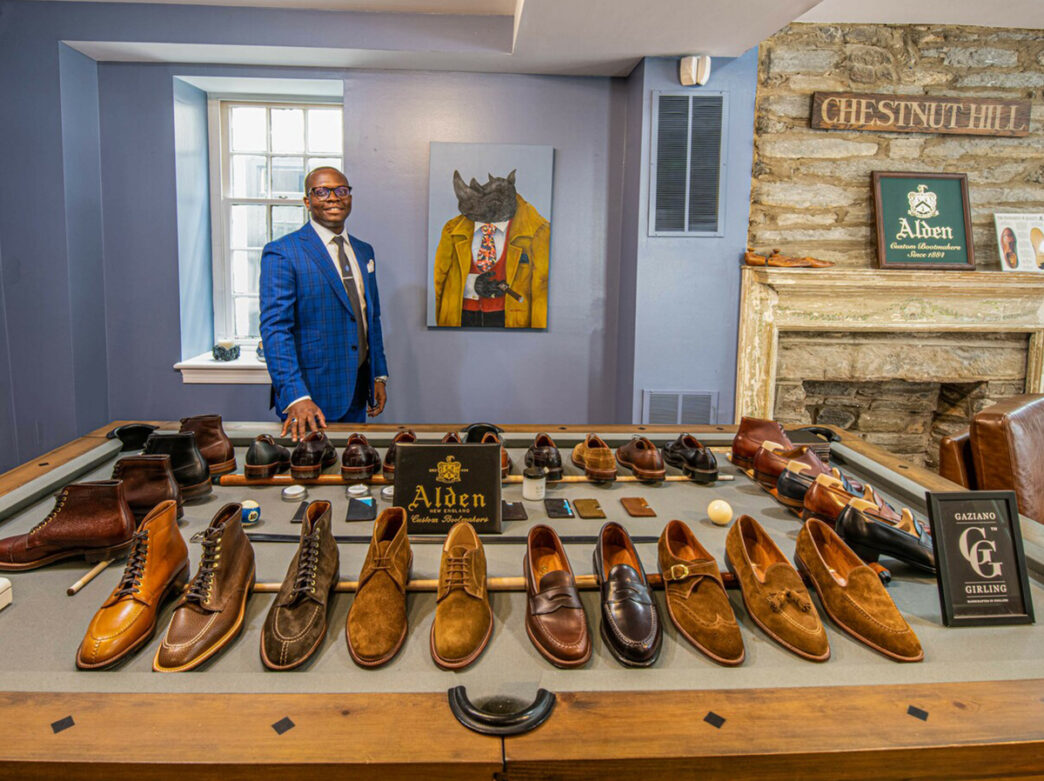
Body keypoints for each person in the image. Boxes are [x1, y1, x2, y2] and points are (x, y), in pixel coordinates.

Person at [259, 166, 388, 440]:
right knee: (311, 474)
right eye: (322, 191)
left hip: (356, 389)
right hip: (310, 396)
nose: (333, 198)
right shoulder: (283, 252)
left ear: (349, 197)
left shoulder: (364, 251)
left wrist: (378, 375)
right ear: (307, 201)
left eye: (341, 191)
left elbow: (369, 317)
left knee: (353, 467)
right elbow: (275, 330)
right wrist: (295, 396)